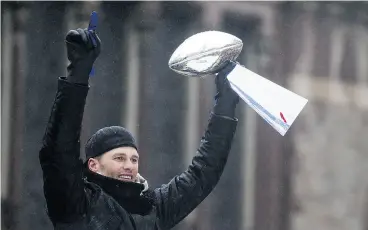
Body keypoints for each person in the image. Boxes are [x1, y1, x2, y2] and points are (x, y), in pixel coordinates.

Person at [39, 24, 240, 230]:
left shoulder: (154, 208)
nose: (129, 165)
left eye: (134, 159)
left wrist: (224, 106)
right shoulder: (76, 202)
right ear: (93, 165)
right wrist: (78, 74)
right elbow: (59, 150)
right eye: (119, 158)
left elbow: (203, 174)